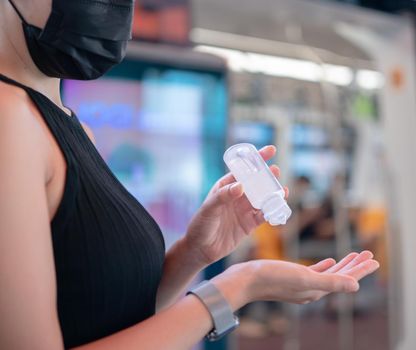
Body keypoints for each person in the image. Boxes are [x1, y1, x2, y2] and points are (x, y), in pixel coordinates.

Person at [0, 0, 380, 349]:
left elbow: (109, 315)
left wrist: (194, 253)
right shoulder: (7, 119)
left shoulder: (68, 126)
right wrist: (237, 286)